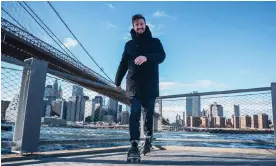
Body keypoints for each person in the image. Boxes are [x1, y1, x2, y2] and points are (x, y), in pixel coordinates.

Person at [115, 14, 166, 159]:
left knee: (148, 116)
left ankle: (148, 137)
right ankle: (134, 146)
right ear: (133, 27)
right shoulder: (129, 45)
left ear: (145, 24)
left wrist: (147, 57)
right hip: (134, 86)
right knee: (134, 115)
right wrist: (117, 81)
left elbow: (162, 56)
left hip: (150, 86)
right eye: (136, 25)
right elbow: (123, 64)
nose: (139, 26)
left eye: (141, 24)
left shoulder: (155, 42)